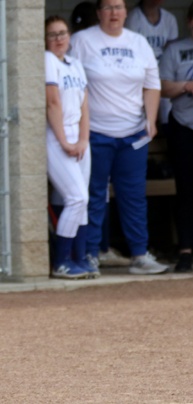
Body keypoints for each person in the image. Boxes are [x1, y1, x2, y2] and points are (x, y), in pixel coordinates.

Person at [69, 0, 169, 275]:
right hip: (96, 132)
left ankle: (139, 254)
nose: (114, 13)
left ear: (127, 12)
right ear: (99, 12)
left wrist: (150, 119)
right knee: (94, 195)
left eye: (119, 7)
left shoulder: (139, 43)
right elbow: (72, 82)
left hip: (133, 135)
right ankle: (90, 254)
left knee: (134, 196)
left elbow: (152, 84)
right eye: (108, 7)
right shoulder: (82, 41)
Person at [45, 16, 96, 279]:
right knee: (77, 198)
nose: (59, 38)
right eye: (52, 34)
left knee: (82, 202)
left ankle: (80, 257)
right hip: (57, 137)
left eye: (63, 33)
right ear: (45, 39)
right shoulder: (47, 60)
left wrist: (83, 140)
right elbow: (52, 102)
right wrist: (65, 141)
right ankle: (62, 261)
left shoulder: (75, 63)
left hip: (80, 138)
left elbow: (85, 106)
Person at [159, 2, 193, 272]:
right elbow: (161, 87)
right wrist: (186, 86)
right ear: (189, 21)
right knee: (186, 191)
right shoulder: (175, 49)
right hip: (183, 126)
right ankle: (186, 251)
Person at [126, 0, 178, 125]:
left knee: (166, 97)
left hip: (163, 66)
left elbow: (171, 50)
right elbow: (131, 51)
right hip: (141, 67)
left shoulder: (169, 18)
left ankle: (166, 131)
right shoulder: (134, 17)